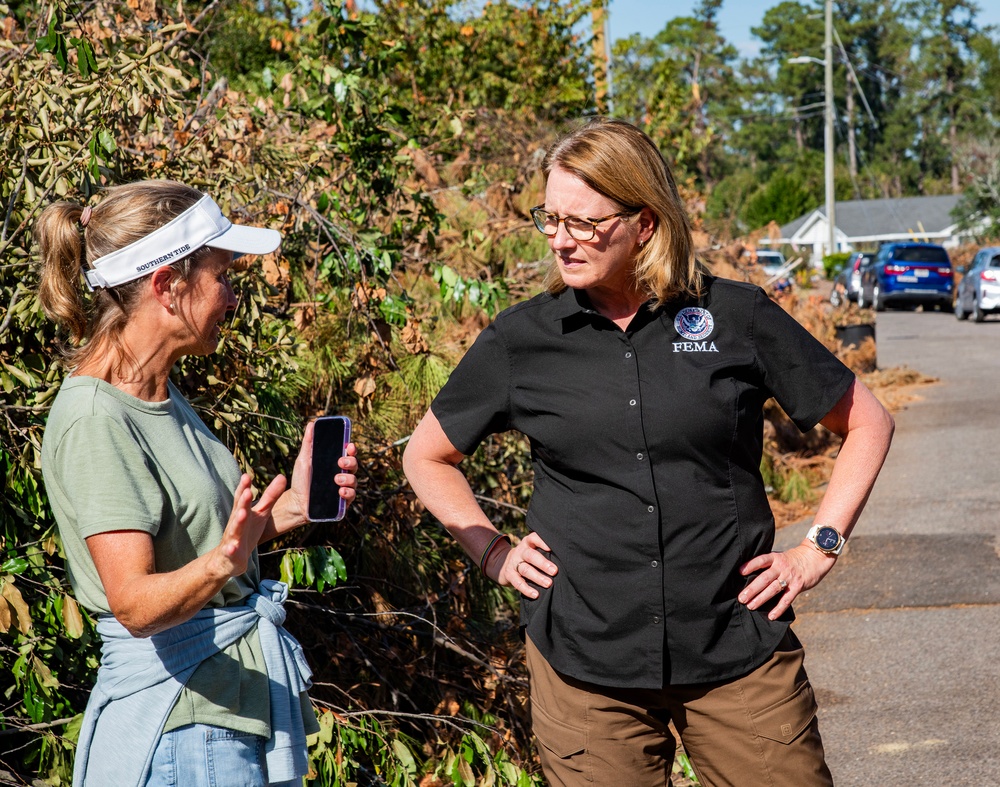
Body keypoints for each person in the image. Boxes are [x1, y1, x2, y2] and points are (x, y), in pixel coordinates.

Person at [402, 118, 894, 786]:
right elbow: (426, 455)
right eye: (549, 218)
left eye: (583, 221)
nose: (561, 239)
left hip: (737, 646)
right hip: (585, 666)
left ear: (646, 221)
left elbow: (867, 421)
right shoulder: (523, 340)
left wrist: (819, 548)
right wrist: (493, 551)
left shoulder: (734, 317)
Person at [36, 180, 359, 787]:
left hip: (215, 718)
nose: (234, 298)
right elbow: (134, 603)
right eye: (223, 277)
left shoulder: (158, 393)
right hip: (184, 732)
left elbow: (208, 539)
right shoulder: (97, 418)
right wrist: (222, 564)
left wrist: (291, 505)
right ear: (168, 286)